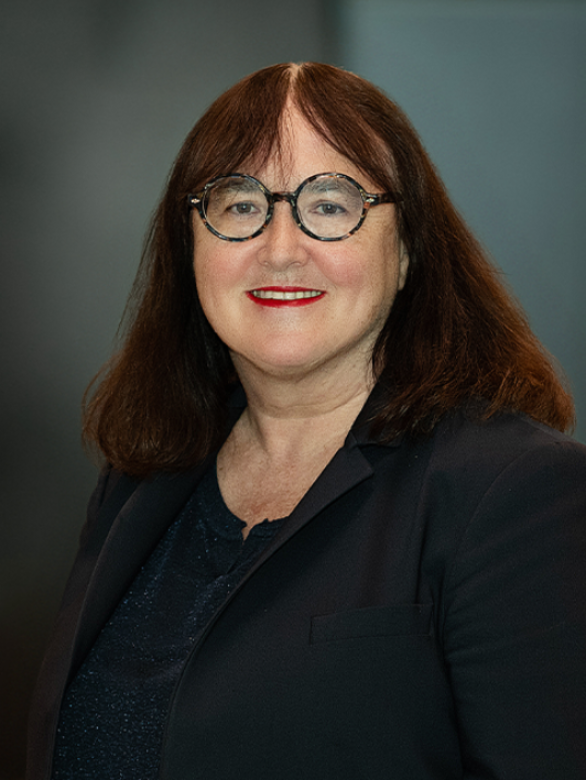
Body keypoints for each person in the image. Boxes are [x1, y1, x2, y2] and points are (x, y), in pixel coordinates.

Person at [27, 62, 586, 780]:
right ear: (189, 247)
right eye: (239, 204)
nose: (281, 248)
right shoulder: (140, 481)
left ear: (408, 251)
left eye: (330, 204)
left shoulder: (518, 493)